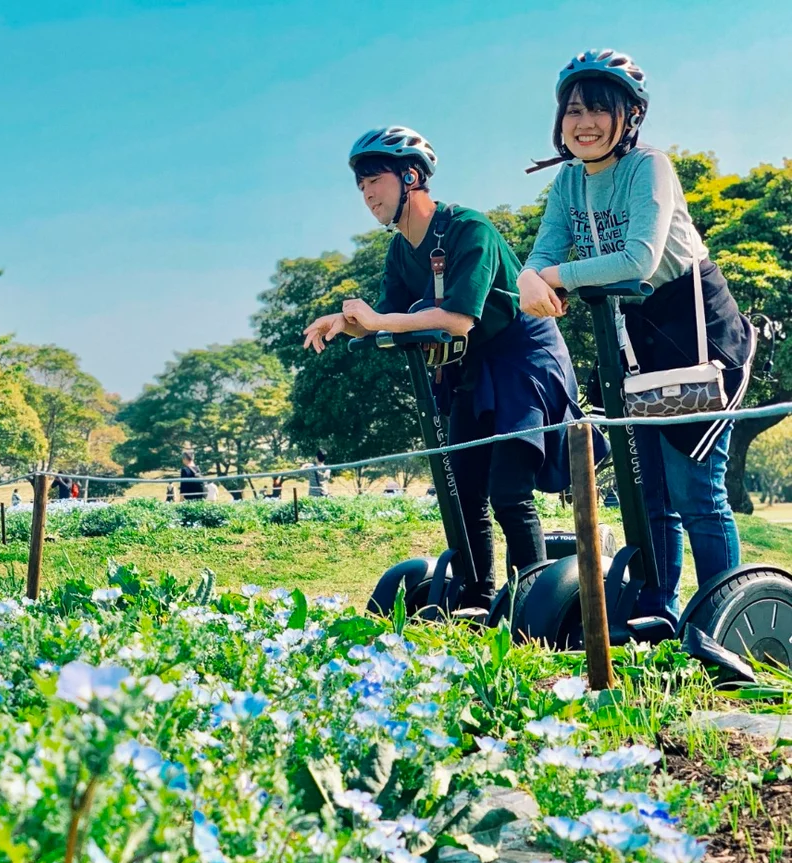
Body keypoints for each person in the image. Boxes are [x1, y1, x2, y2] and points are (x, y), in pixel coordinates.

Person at [303, 126, 595, 609]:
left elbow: (459, 319)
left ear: (411, 176)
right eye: (360, 186)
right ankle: (477, 601)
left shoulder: (468, 228)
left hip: (524, 359)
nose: (367, 193)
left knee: (508, 492)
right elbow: (388, 319)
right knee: (461, 493)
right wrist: (347, 323)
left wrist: (376, 320)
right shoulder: (400, 250)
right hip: (471, 367)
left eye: (375, 179)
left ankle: (530, 604)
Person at [518, 50, 753, 624]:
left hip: (697, 333)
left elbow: (640, 260)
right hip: (632, 338)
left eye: (601, 109)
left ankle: (728, 620)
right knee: (647, 494)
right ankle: (658, 611)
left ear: (631, 116)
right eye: (574, 110)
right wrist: (529, 273)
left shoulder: (650, 166)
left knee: (696, 492)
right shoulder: (568, 183)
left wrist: (552, 277)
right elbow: (543, 254)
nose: (586, 123)